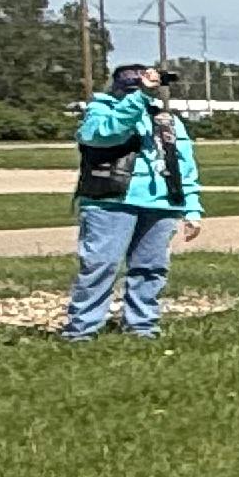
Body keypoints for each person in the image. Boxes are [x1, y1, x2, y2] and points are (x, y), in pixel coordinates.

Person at [63, 61, 202, 340]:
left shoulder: (165, 119)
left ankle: (142, 327)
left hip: (161, 203)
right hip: (110, 200)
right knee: (101, 265)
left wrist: (192, 206)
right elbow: (105, 135)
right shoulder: (101, 110)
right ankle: (81, 331)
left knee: (151, 268)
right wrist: (139, 99)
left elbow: (183, 164)